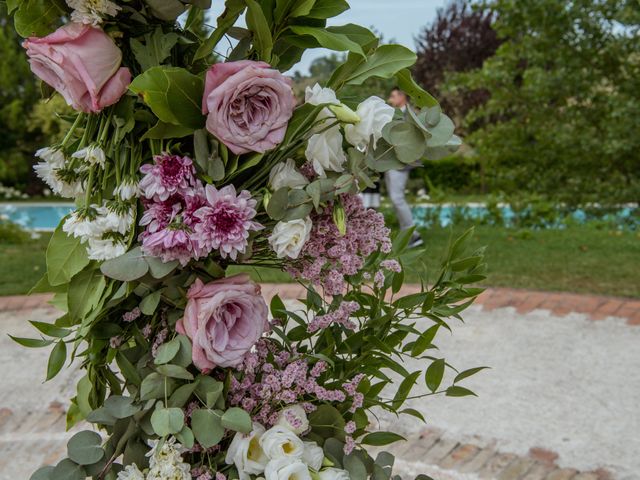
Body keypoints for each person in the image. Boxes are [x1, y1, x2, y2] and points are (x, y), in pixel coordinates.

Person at [386, 87, 423, 248]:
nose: (390, 98)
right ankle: (406, 234)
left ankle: (412, 234)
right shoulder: (394, 114)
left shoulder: (411, 115)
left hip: (401, 164)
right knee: (396, 199)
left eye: (393, 95)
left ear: (402, 96)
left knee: (397, 198)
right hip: (390, 162)